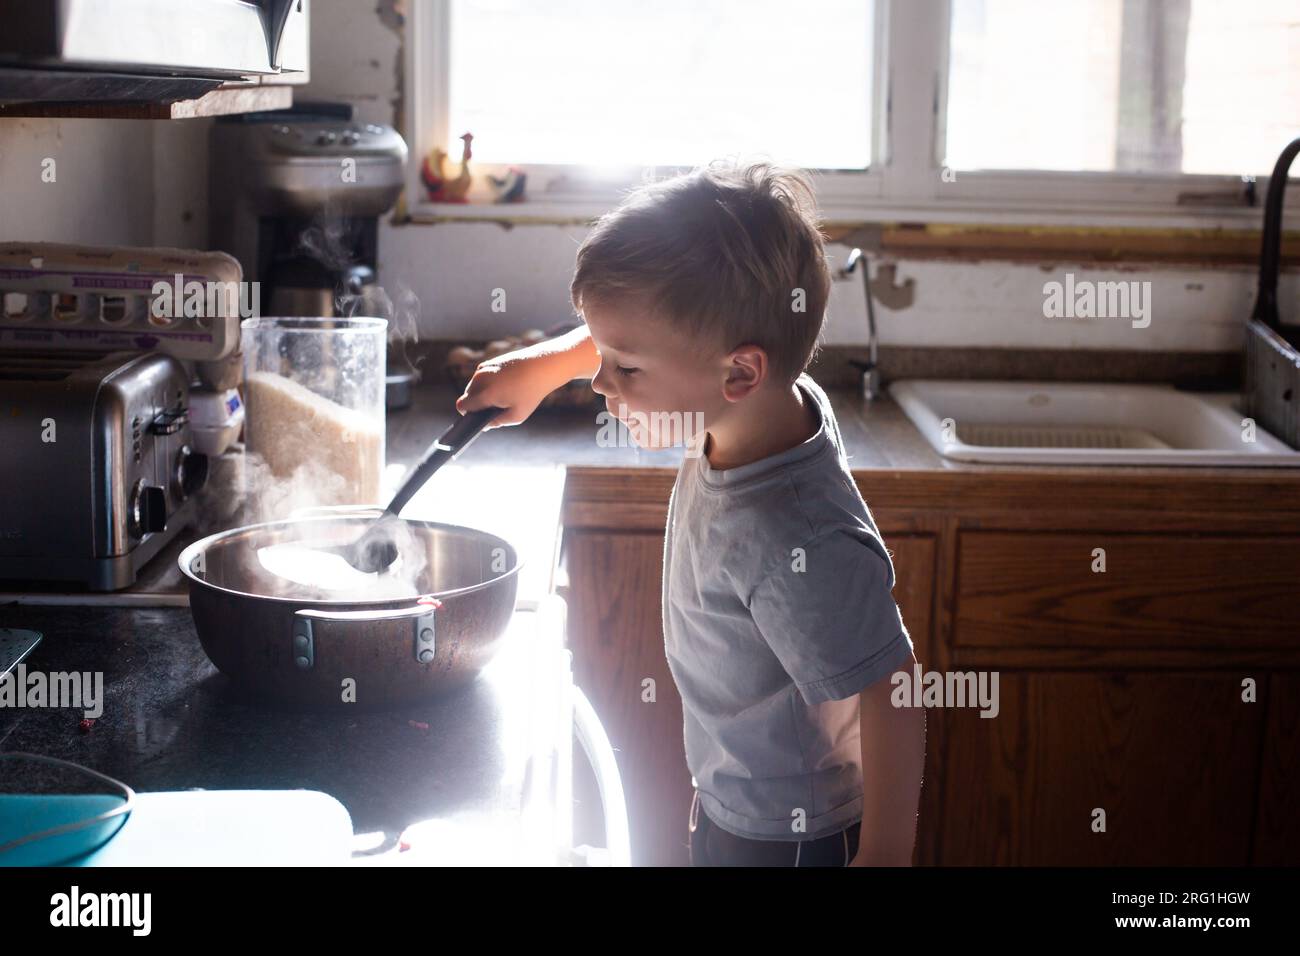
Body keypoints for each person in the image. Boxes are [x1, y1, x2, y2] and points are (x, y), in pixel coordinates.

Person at [458, 161, 925, 866]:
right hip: (736, 796)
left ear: (740, 372)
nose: (601, 381)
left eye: (626, 368)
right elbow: (652, 329)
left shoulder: (793, 533)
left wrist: (886, 854)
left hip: (791, 837)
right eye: (604, 357)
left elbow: (893, 686)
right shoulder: (760, 408)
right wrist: (543, 365)